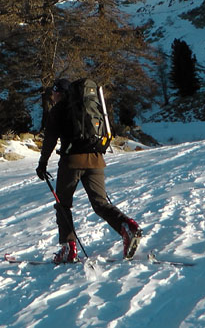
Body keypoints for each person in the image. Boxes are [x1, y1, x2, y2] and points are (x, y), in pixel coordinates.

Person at [36, 78, 140, 263]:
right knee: (100, 203)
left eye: (53, 93)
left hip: (71, 162)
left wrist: (42, 164)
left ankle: (68, 248)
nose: (52, 97)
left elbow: (50, 139)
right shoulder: (91, 106)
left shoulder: (59, 110)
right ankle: (127, 226)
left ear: (58, 92)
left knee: (63, 204)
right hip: (96, 160)